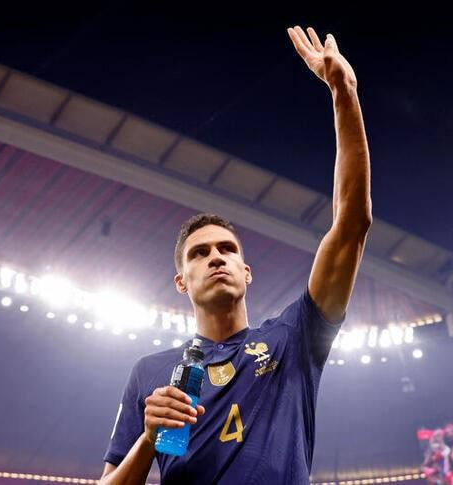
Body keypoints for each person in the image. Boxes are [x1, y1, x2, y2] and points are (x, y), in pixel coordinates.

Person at [99, 25, 372, 485]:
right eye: (200, 253)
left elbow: (352, 226)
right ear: (181, 281)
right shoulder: (154, 373)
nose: (216, 257)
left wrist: (344, 92)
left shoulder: (294, 339)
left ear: (247, 273)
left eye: (227, 249)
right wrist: (149, 439)